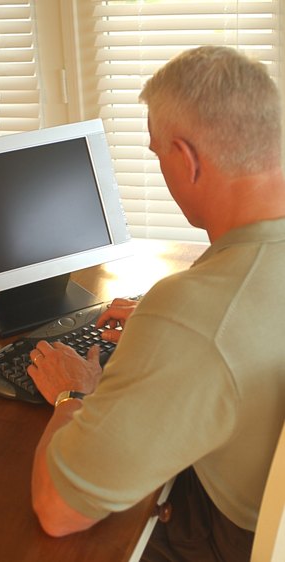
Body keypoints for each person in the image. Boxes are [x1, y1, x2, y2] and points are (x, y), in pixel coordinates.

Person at [27, 46, 285, 561]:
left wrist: (73, 397)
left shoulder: (197, 312)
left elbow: (59, 511)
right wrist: (163, 338)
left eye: (156, 151)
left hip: (227, 539)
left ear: (186, 159)